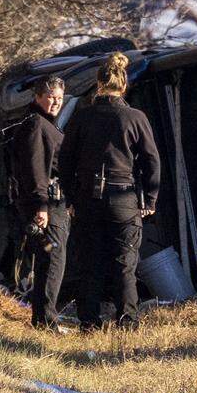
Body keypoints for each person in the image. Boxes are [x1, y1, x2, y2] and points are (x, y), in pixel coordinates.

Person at [58, 53, 160, 330]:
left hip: (88, 198)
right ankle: (127, 322)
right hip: (124, 198)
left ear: (98, 84)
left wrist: (70, 197)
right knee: (124, 264)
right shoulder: (135, 117)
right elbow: (152, 160)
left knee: (90, 264)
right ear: (124, 85)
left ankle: (89, 323)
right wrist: (150, 198)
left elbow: (65, 160)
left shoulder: (82, 117)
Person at [9, 76, 70, 331]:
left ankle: (44, 317)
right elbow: (35, 170)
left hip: (54, 204)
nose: (56, 102)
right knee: (52, 258)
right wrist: (41, 206)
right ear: (37, 97)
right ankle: (46, 319)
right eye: (51, 97)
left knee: (51, 259)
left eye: (59, 98)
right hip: (46, 205)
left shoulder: (46, 124)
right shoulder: (36, 124)